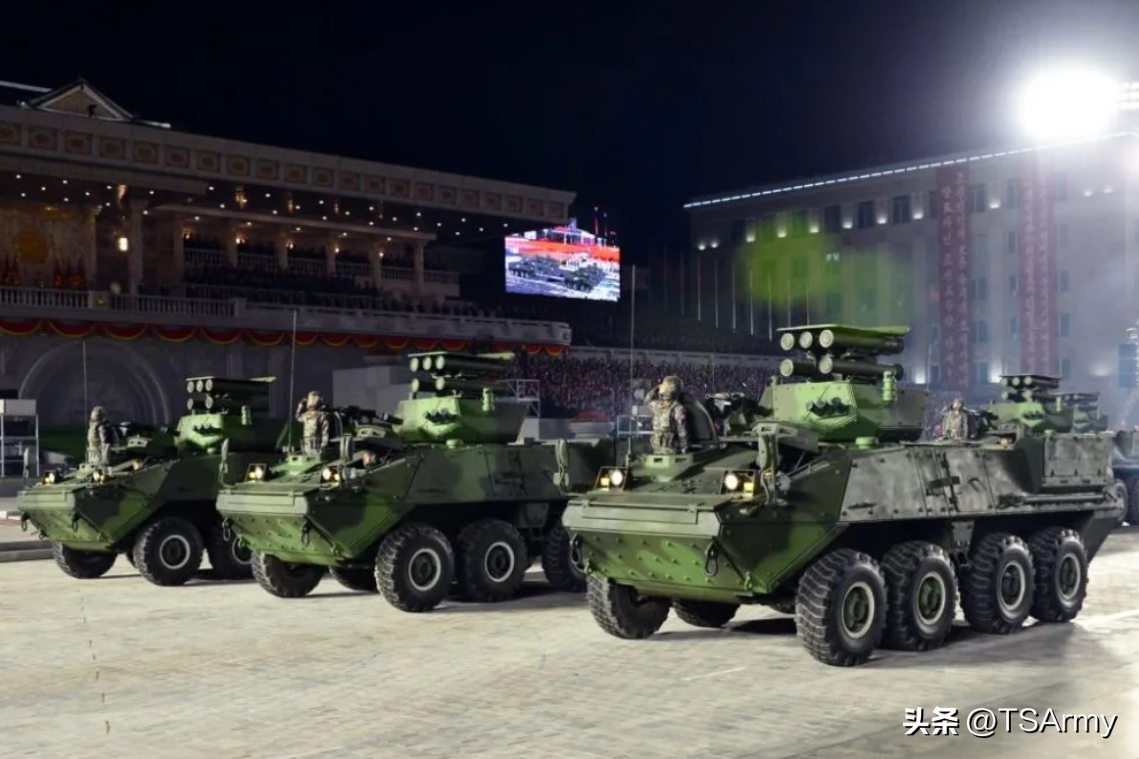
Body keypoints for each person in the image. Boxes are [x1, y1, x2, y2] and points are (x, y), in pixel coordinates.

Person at [647, 375, 690, 454]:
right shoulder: (657, 405)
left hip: (671, 451)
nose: (660, 385)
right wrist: (656, 389)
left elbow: (682, 432)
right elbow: (647, 401)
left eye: (663, 384)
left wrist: (684, 451)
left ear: (671, 389)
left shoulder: (677, 408)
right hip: (656, 449)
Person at [295, 391, 330, 455]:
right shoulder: (306, 415)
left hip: (317, 448)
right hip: (306, 448)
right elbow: (297, 417)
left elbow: (325, 434)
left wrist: (322, 449)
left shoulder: (321, 416)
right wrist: (301, 404)